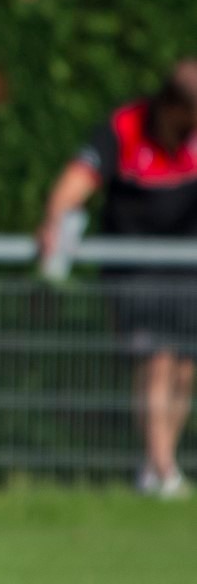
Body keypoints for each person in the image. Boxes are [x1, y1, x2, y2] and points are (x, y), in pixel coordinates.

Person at [38, 61, 197, 499]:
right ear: (174, 108)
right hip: (134, 270)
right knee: (156, 361)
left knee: (184, 370)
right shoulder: (125, 127)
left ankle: (156, 465)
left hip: (187, 270)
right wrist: (55, 219)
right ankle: (163, 469)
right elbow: (75, 182)